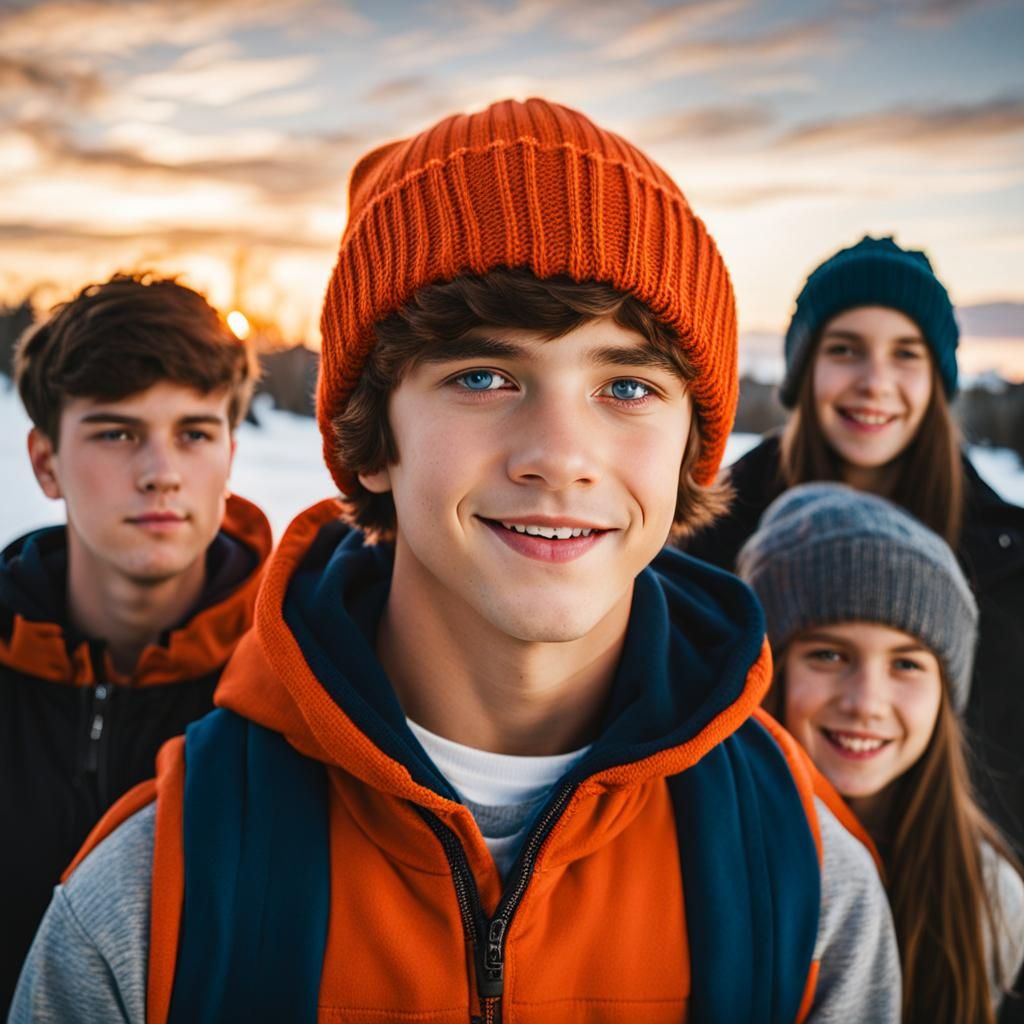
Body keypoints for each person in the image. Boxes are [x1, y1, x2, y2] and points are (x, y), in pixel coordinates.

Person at [12, 99, 899, 1024]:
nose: (560, 456)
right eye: (483, 377)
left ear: (690, 448)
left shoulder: (803, 881)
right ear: (372, 438)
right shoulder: (158, 894)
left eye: (627, 386)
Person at [684, 236, 1024, 865]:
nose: (874, 383)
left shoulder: (1007, 559)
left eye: (906, 354)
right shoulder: (706, 539)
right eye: (845, 350)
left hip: (951, 889)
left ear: (937, 377)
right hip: (749, 867)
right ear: (805, 368)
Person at [0, 273, 270, 1016]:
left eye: (194, 434)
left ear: (229, 457)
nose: (160, 474)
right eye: (117, 433)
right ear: (46, 463)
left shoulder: (300, 685)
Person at [737, 483, 1024, 1023]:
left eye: (906, 664)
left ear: (946, 694)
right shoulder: (714, 846)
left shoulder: (989, 898)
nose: (866, 702)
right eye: (829, 655)